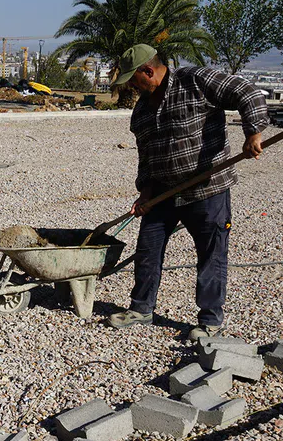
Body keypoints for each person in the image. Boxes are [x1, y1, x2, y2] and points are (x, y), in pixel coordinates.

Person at [104, 43, 269, 341]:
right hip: (164, 194)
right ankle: (142, 309)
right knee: (147, 250)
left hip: (208, 190)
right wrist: (146, 193)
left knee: (211, 255)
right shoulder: (141, 110)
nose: (130, 85)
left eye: (132, 78)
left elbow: (248, 92)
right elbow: (147, 156)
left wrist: (253, 132)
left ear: (148, 71)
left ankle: (209, 320)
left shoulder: (195, 81)